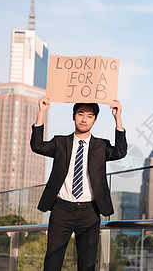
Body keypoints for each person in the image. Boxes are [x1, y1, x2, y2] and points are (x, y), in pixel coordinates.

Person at [30, 96, 127, 271]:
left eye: (90, 116)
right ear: (73, 116)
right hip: (61, 210)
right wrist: (41, 112)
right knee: (52, 261)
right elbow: (37, 146)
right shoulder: (60, 142)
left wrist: (117, 118)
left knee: (87, 264)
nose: (84, 119)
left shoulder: (100, 145)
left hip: (89, 211)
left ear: (95, 120)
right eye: (80, 114)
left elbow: (120, 152)